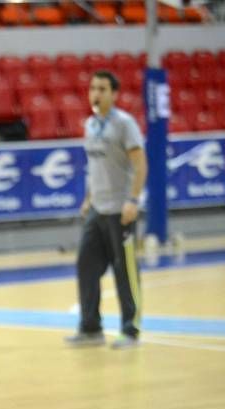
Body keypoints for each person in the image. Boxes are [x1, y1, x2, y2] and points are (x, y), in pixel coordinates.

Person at [64, 70, 147, 349]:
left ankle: (130, 329)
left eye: (102, 88)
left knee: (125, 272)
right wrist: (88, 198)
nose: (95, 93)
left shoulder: (125, 124)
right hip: (98, 208)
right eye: (92, 88)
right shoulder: (90, 124)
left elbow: (140, 164)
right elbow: (94, 167)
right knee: (85, 266)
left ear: (114, 93)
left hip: (119, 210)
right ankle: (91, 328)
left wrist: (133, 200)